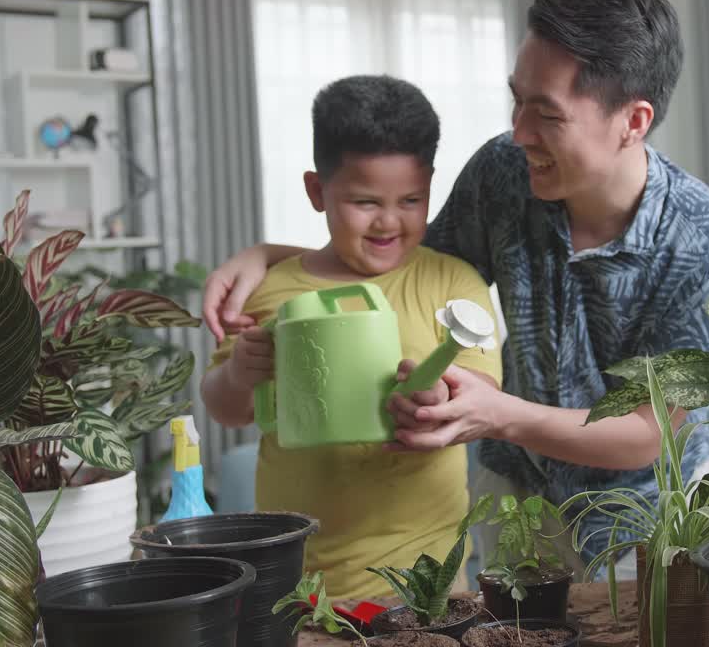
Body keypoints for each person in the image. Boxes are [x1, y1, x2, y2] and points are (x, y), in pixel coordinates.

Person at [203, 0, 709, 578]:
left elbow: (651, 434)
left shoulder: (707, 245)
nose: (519, 132)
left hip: (641, 518)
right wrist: (269, 255)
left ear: (633, 120)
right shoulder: (502, 172)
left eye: (546, 114)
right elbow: (399, 260)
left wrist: (499, 414)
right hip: (514, 494)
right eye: (516, 101)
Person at [201, 75, 501, 599]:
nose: (389, 221)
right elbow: (227, 409)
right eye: (365, 202)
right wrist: (239, 373)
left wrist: (444, 400)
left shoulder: (454, 281)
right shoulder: (269, 287)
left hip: (425, 578)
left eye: (411, 200)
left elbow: (484, 397)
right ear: (318, 192)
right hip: (294, 578)